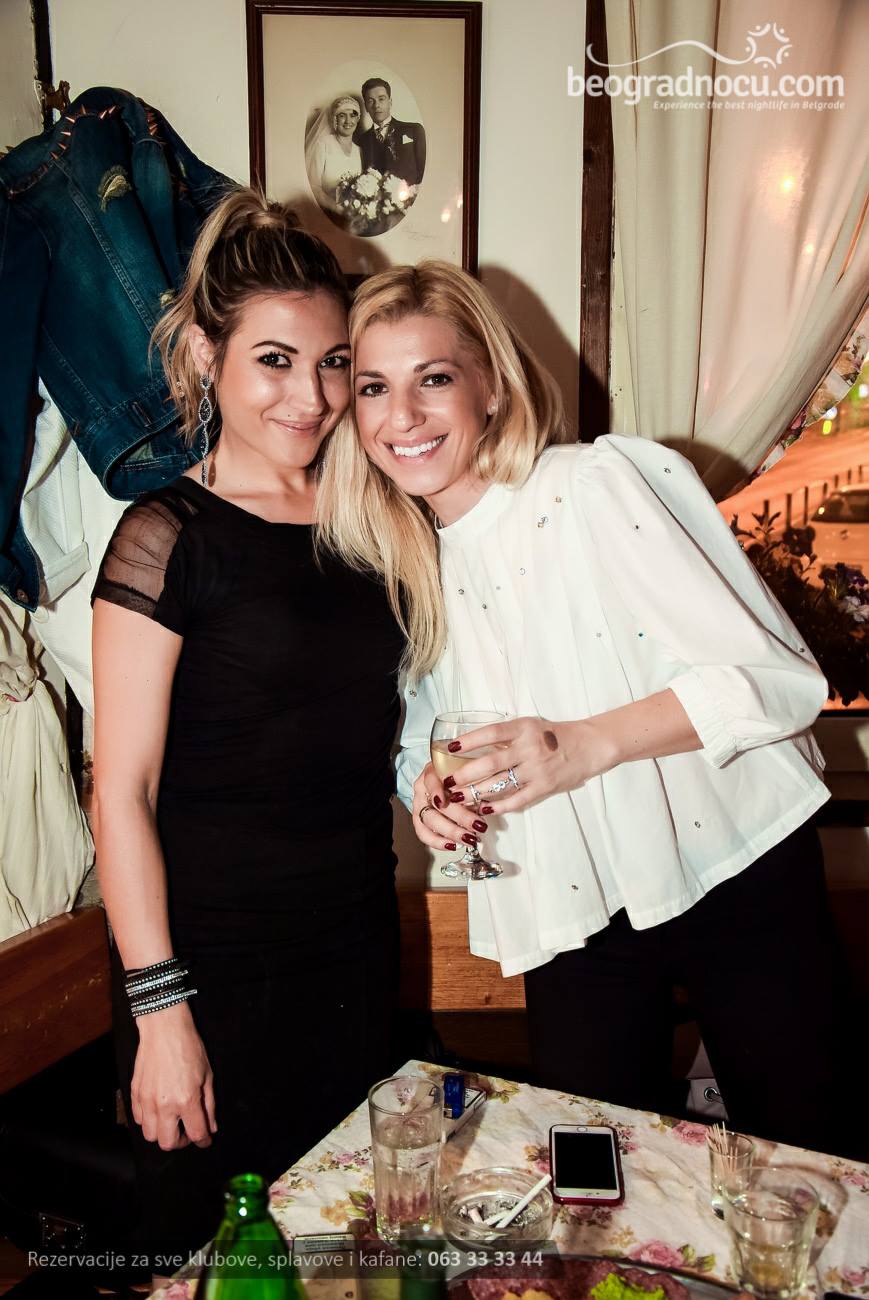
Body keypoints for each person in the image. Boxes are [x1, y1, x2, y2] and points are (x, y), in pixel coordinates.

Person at [316, 260, 862, 1159]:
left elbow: (777, 680)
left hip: (731, 868)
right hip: (569, 898)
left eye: (433, 379)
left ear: (491, 388)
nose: (400, 415)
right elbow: (424, 735)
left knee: (812, 1159)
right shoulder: (402, 560)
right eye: (374, 386)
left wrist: (585, 744)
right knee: (595, 1178)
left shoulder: (592, 487)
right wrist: (428, 795)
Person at [91, 188, 405, 1261]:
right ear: (203, 354)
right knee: (217, 1260)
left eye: (331, 363)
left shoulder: (374, 521)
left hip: (354, 949)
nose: (310, 397)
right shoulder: (165, 536)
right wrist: (160, 1016)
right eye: (274, 360)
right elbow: (119, 793)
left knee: (347, 1249)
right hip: (209, 970)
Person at [358, 77, 426, 186]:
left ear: (390, 102)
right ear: (366, 106)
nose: (376, 105)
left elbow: (424, 173)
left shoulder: (414, 130)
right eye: (370, 101)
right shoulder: (361, 140)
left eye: (381, 99)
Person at [304, 93, 363, 212]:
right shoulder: (323, 145)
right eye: (342, 115)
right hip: (327, 212)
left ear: (357, 119)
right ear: (335, 119)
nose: (348, 121)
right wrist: (335, 208)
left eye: (352, 115)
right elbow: (313, 187)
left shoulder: (359, 151)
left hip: (354, 215)